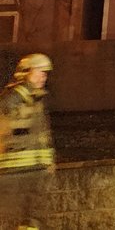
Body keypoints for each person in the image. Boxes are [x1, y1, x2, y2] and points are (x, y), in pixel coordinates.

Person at [0, 53, 55, 230]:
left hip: (35, 172)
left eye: (45, 73)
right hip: (13, 174)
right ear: (25, 73)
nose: (43, 77)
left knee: (33, 221)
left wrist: (48, 163)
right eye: (39, 72)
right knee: (13, 220)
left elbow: (41, 136)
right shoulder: (13, 98)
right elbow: (4, 116)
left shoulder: (36, 101)